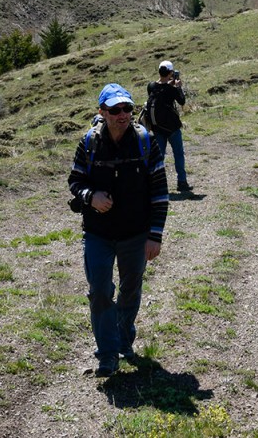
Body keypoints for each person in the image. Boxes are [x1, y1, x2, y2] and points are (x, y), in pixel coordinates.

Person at [68, 83, 169, 377]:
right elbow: (75, 181)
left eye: (128, 108)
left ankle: (124, 338)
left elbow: (159, 191)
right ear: (102, 112)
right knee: (100, 291)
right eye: (115, 110)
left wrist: (155, 235)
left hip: (136, 235)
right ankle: (107, 354)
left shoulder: (145, 141)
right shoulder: (88, 142)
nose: (123, 115)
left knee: (130, 290)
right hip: (98, 234)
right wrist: (91, 197)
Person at [147, 61, 191, 193]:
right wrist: (178, 87)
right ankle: (182, 182)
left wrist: (169, 84)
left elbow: (160, 91)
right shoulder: (172, 88)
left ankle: (155, 184)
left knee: (159, 157)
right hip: (172, 127)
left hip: (157, 128)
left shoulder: (151, 86)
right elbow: (182, 101)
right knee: (178, 154)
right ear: (171, 73)